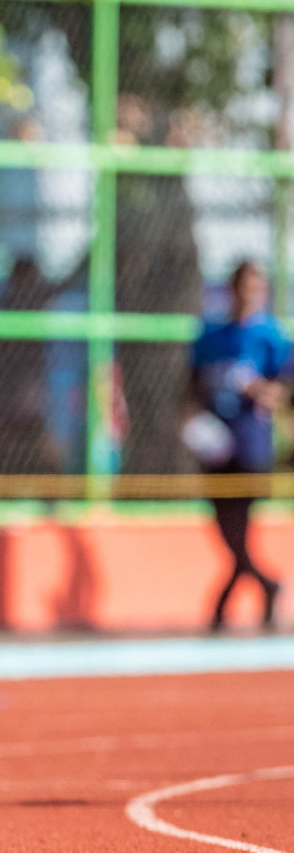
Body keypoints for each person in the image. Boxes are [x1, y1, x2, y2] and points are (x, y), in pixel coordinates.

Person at [188, 261, 286, 631]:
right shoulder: (211, 334)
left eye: (256, 288)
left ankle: (225, 603)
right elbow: (191, 388)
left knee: (238, 530)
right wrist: (189, 419)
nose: (249, 295)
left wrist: (257, 389)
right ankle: (266, 585)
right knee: (223, 529)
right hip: (215, 445)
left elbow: (283, 392)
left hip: (251, 446)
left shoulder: (272, 337)